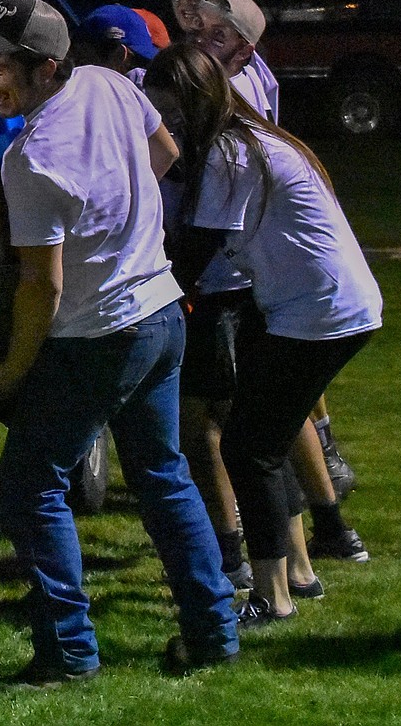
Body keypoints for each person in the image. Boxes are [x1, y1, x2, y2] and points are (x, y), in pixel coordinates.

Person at [0, 0, 238, 680]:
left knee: (29, 487)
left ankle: (68, 653)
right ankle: (213, 632)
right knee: (164, 477)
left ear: (47, 68)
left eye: (1, 67)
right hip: (163, 314)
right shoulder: (112, 85)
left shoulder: (30, 158)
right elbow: (164, 152)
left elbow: (41, 288)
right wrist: (124, 220)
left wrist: (12, 374)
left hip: (102, 334)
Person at [144, 43, 381, 627]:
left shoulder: (231, 152)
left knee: (250, 449)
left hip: (318, 315)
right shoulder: (253, 139)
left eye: (172, 113)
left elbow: (197, 252)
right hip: (328, 308)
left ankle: (273, 597)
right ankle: (298, 572)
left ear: (195, 103)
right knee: (263, 443)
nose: (168, 127)